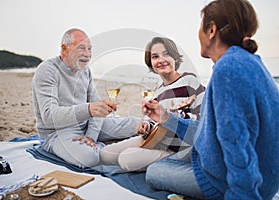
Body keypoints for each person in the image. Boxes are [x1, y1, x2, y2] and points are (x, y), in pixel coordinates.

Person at [144, 0, 279, 199]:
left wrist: (243, 195)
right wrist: (166, 117)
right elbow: (211, 132)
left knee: (153, 172)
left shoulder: (228, 69)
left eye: (201, 26)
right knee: (162, 163)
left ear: (212, 29)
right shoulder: (247, 62)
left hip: (229, 180)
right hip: (217, 159)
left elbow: (237, 143)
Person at [32, 28, 139, 168]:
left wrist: (91, 137)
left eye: (90, 49)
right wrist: (88, 110)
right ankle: (102, 147)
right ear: (65, 49)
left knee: (136, 124)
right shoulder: (47, 70)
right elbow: (49, 117)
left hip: (85, 125)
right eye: (81, 48)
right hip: (58, 133)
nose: (87, 55)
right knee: (89, 158)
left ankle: (98, 145)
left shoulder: (85, 71)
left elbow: (96, 108)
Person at [99, 37, 205, 171]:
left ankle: (167, 162)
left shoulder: (189, 80)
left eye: (166, 54)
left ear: (175, 58)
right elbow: (155, 126)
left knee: (126, 159)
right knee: (105, 154)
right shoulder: (158, 91)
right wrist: (146, 126)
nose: (161, 60)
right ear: (151, 63)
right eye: (155, 57)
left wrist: (176, 115)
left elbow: (203, 121)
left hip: (177, 149)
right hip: (157, 141)